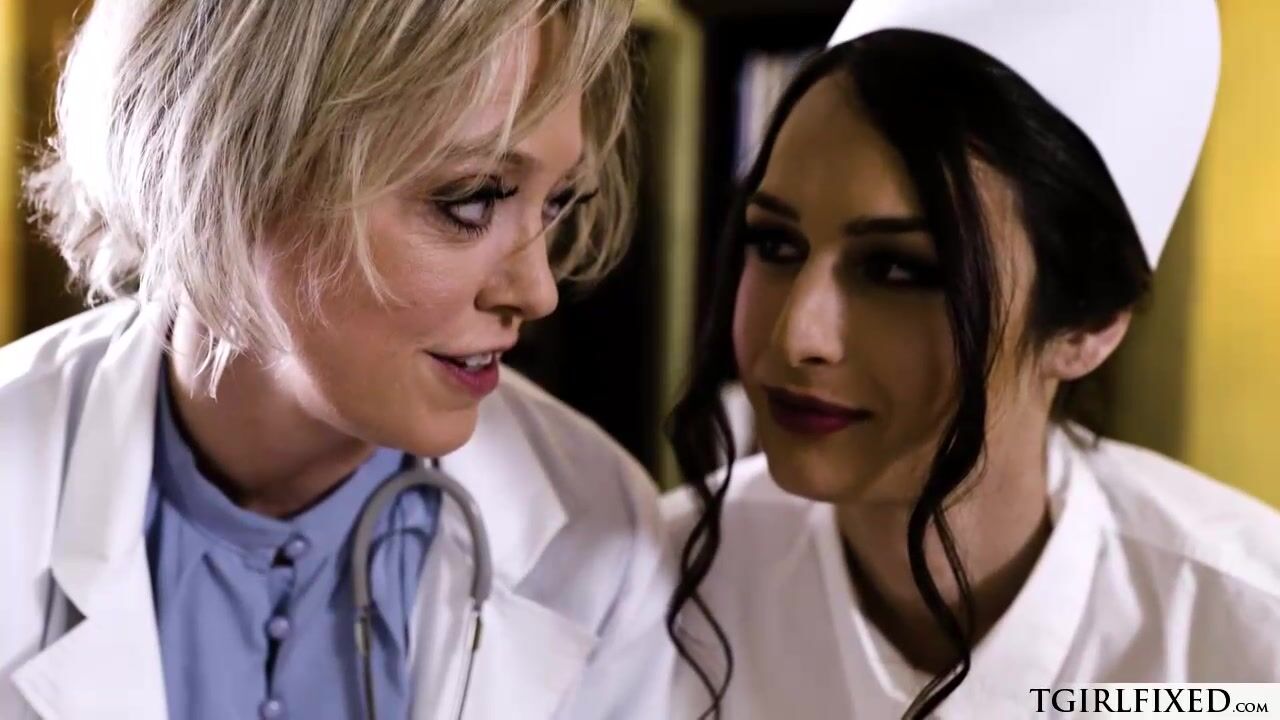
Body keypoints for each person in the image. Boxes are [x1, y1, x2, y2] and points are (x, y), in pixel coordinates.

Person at [0, 1, 678, 718]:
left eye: (556, 204)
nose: (538, 291)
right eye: (472, 199)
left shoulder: (606, 530)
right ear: (230, 163)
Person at [663, 0, 1280, 717]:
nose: (798, 335)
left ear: (1087, 326)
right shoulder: (657, 582)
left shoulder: (1244, 642)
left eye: (899, 269)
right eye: (775, 244)